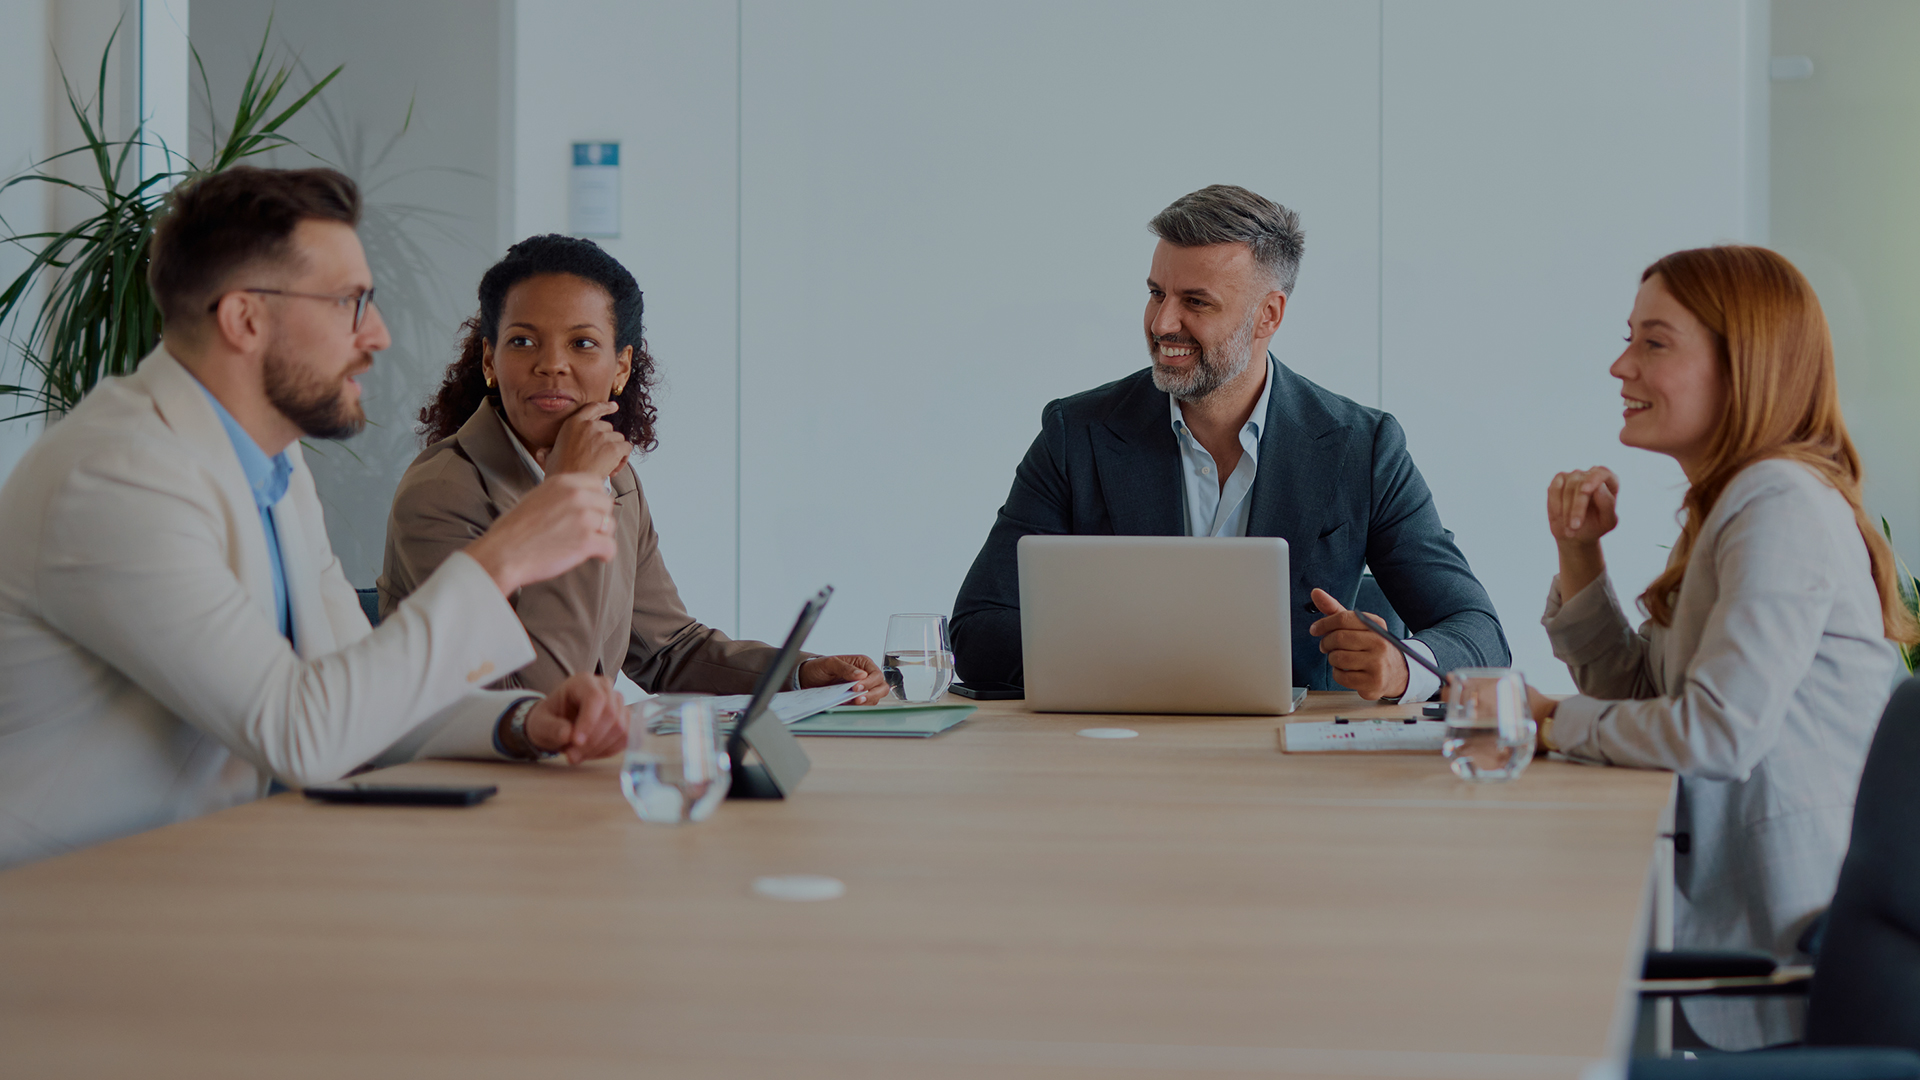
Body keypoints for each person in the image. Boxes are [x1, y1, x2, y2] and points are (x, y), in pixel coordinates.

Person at [0, 168, 631, 870]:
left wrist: (522, 722)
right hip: (62, 904)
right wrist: (502, 558)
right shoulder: (115, 477)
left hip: (199, 876)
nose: (378, 335)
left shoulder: (273, 462)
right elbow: (301, 731)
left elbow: (355, 689)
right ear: (245, 318)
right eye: (348, 302)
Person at [1528, 245, 1915, 1050]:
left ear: (1746, 364)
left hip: (1785, 959)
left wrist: (1550, 723)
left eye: (1654, 342)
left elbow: (1715, 733)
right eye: (1629, 339)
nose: (1621, 366)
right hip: (1750, 938)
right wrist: (1580, 552)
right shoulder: (1734, 502)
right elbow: (1642, 697)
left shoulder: (1778, 504)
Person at [951, 185, 1508, 700]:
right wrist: (1135, 659)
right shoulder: (1076, 434)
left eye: (1196, 302)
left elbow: (1479, 634)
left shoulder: (1362, 449)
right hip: (1121, 747)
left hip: (1291, 755)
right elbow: (978, 629)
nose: (1162, 323)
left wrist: (1403, 665)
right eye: (1156, 293)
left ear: (1268, 315)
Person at [379, 235, 887, 703]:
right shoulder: (442, 492)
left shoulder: (616, 479)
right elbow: (537, 699)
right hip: (477, 768)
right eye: (523, 341)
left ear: (620, 367)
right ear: (490, 360)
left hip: (577, 764)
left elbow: (670, 650)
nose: (551, 364)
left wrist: (799, 674)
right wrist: (572, 490)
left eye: (582, 343)